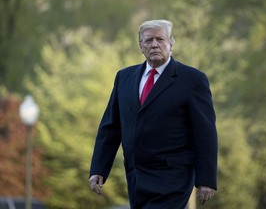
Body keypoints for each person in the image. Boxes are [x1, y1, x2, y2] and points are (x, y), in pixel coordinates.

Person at [89, 19, 218, 209]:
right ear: (141, 46)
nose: (155, 44)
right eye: (149, 40)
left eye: (160, 39)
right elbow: (110, 127)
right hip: (136, 177)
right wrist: (99, 168)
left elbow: (205, 133)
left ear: (171, 43)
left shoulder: (193, 80)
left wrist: (206, 178)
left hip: (173, 177)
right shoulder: (124, 78)